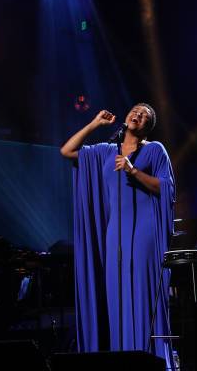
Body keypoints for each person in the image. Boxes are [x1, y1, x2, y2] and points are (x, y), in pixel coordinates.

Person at [61, 104, 175, 361]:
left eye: (145, 115)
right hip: (115, 234)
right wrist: (94, 124)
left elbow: (166, 188)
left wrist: (133, 171)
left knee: (142, 294)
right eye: (136, 111)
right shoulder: (105, 151)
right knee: (117, 296)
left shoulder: (154, 150)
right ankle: (124, 358)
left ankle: (151, 358)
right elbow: (67, 151)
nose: (138, 115)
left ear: (148, 126)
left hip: (145, 232)